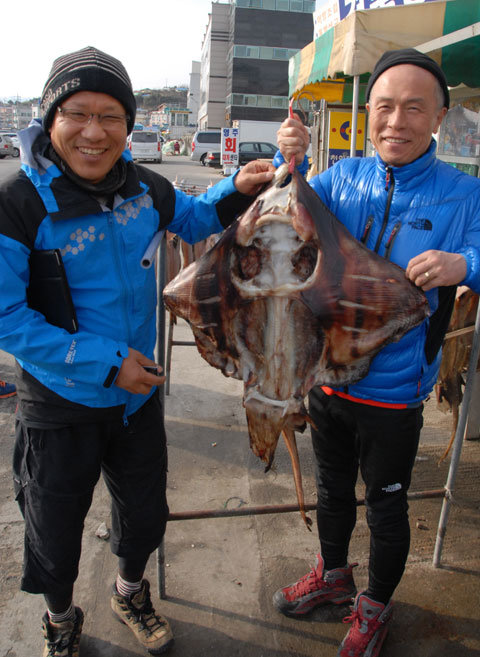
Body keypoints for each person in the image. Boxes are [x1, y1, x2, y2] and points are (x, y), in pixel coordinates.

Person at [0, 46, 274, 657]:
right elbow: (6, 318)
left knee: (146, 513)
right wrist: (105, 363)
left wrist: (238, 185)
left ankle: (129, 590)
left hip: (135, 397)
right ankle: (61, 616)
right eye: (77, 113)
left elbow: (198, 217)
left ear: (129, 125)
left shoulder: (145, 186)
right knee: (54, 527)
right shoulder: (17, 204)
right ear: (51, 120)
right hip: (59, 399)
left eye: (111, 116)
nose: (94, 132)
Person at [272, 48, 480, 657]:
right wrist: (287, 160)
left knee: (384, 504)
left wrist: (469, 264)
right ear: (370, 113)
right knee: (331, 490)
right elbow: (281, 214)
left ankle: (374, 607)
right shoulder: (340, 178)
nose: (395, 122)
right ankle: (332, 576)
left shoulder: (470, 198)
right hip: (324, 376)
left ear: (440, 117)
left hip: (393, 394)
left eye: (413, 108)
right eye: (384, 107)